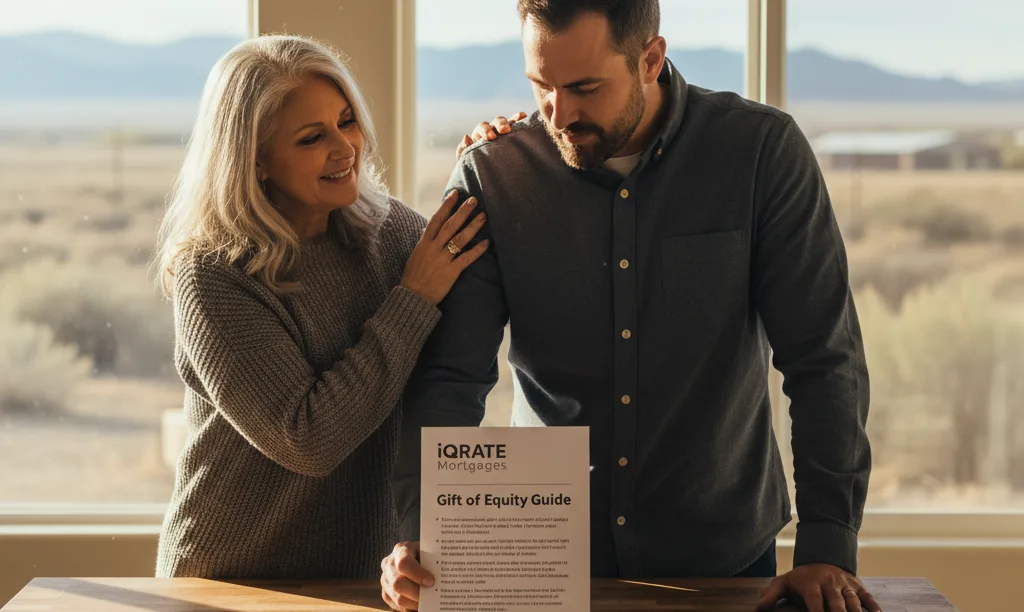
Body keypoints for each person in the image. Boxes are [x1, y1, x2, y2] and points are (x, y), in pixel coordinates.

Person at [381, 2, 878, 612]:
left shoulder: (759, 152)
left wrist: (827, 546)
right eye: (542, 85)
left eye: (585, 88)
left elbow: (824, 358)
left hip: (724, 560)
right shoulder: (495, 173)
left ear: (649, 59)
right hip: (541, 564)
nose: (558, 114)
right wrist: (422, 533)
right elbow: (451, 379)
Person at [152, 34, 492, 579]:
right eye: (312, 138)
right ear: (256, 159)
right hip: (231, 579)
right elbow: (307, 440)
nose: (345, 148)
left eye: (347, 121)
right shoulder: (213, 274)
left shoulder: (394, 232)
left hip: (368, 577)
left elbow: (477, 287)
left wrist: (496, 160)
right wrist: (412, 300)